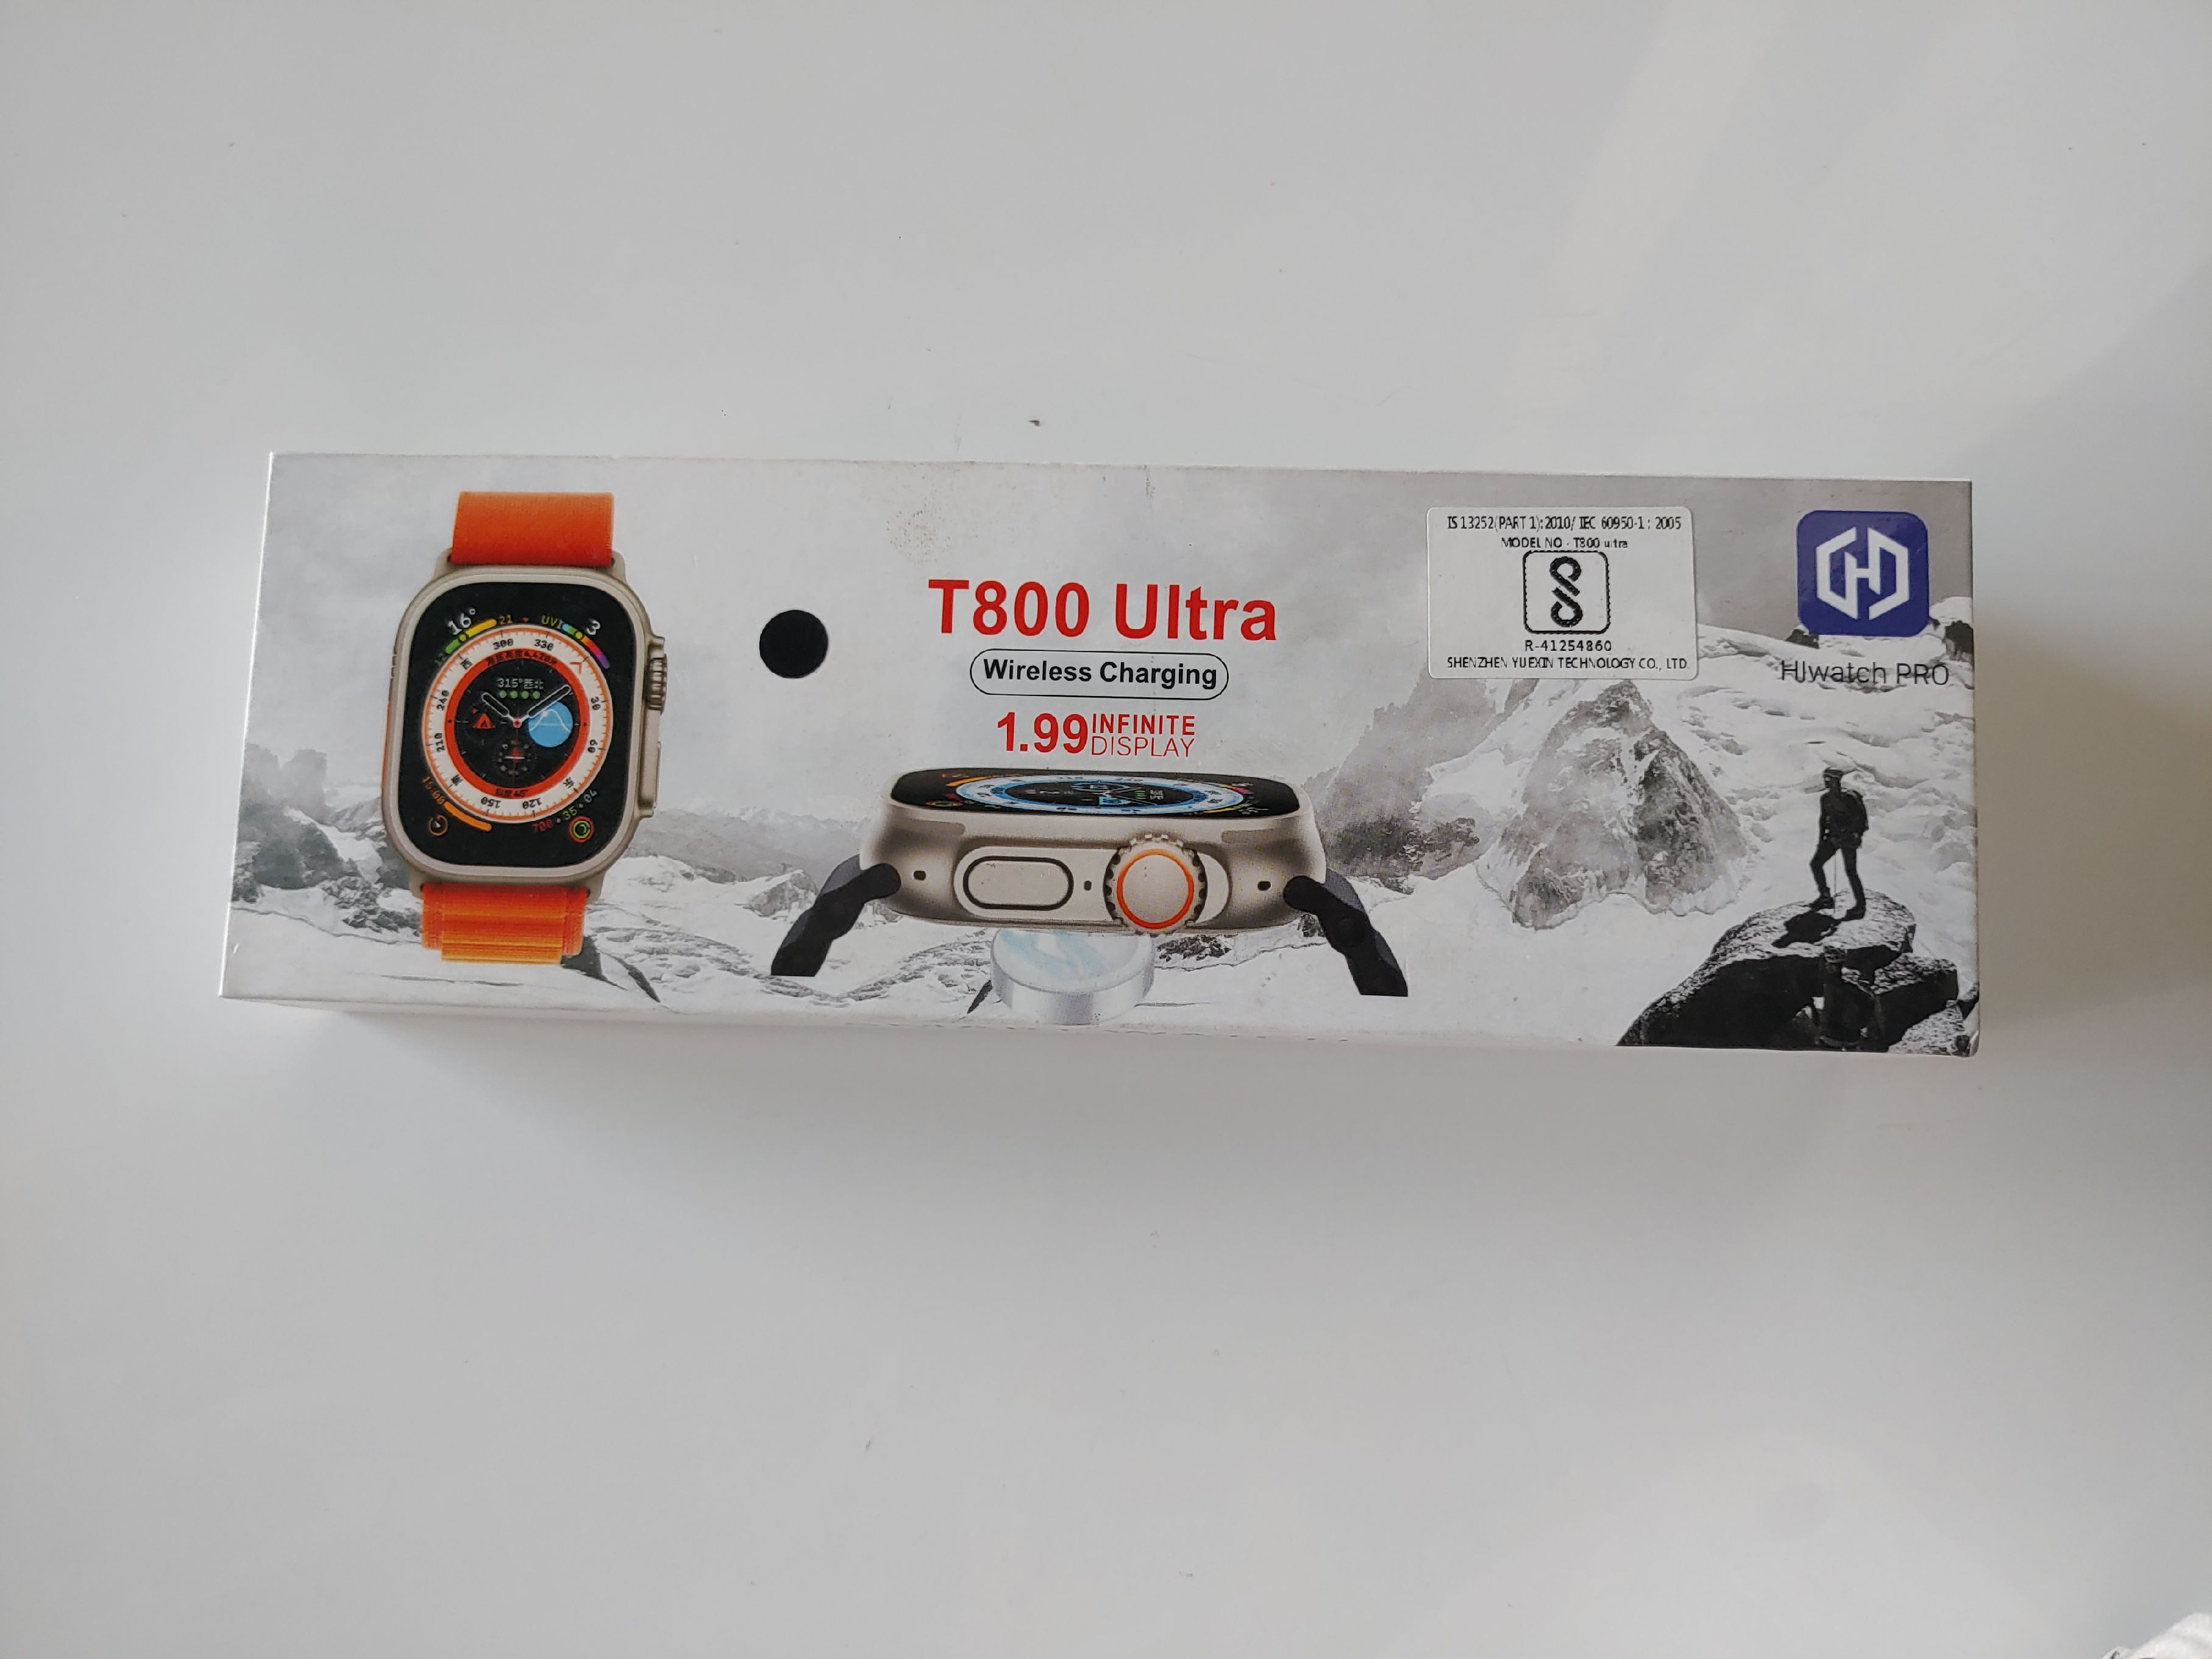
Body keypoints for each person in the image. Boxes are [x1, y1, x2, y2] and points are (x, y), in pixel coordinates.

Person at [1810, 766, 1868, 917]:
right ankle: (1826, 897)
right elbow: (1823, 821)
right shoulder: (1826, 799)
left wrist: (1852, 835)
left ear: (1837, 781)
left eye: (1828, 779)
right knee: (1816, 864)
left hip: (1847, 839)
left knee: (1850, 871)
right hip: (1835, 838)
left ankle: (1860, 905)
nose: (1826, 782)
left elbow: (1861, 821)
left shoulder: (1850, 798)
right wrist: (1822, 841)